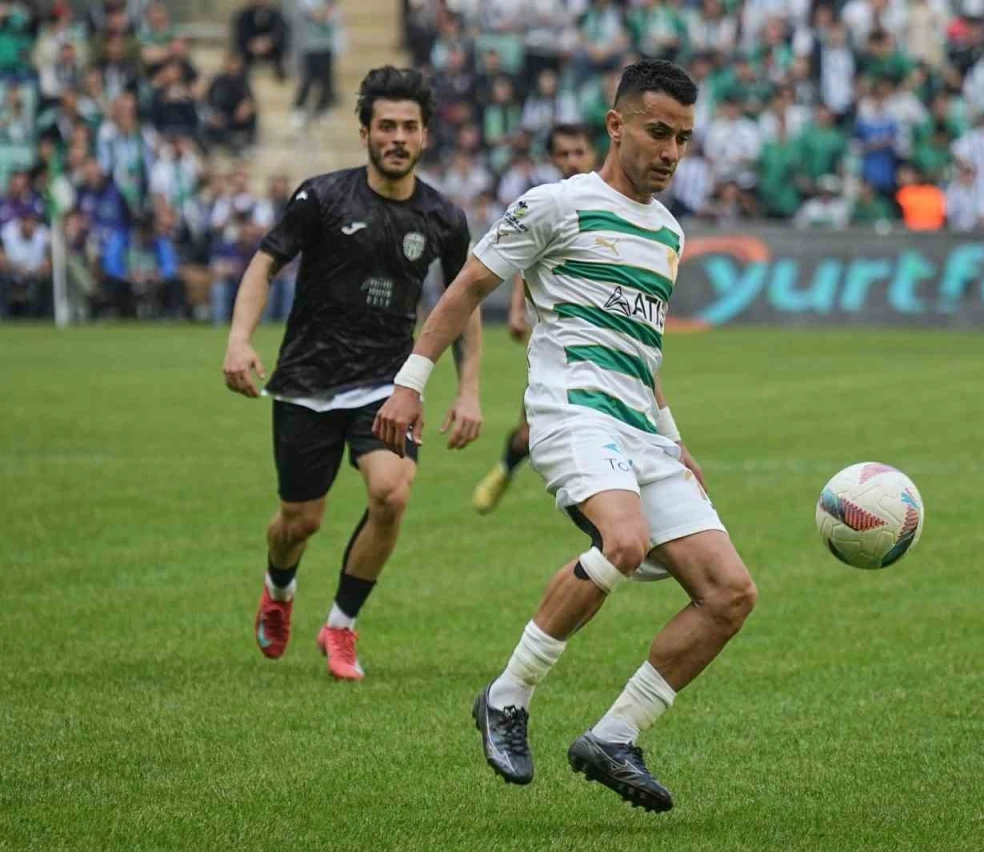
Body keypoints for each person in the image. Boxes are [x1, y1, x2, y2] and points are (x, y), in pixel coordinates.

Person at [374, 58, 757, 813]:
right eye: (658, 132)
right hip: (571, 412)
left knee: (730, 594)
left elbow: (642, 352)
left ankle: (616, 735)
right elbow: (468, 287)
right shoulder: (557, 205)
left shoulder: (668, 232)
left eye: (683, 138)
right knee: (624, 540)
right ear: (616, 125)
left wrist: (674, 437)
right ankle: (507, 696)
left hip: (641, 429)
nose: (671, 152)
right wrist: (411, 383)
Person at [221, 66, 483, 681]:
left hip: (390, 385)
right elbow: (263, 265)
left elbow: (463, 301)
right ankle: (278, 588)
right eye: (386, 126)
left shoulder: (443, 217)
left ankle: (340, 624)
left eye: (409, 127)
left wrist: (468, 389)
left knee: (392, 492)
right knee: (299, 522)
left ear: (425, 135)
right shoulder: (322, 198)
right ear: (364, 131)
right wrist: (238, 340)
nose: (398, 138)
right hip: (307, 381)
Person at [472, 123, 597, 514]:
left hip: (605, 333)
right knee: (532, 431)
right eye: (563, 154)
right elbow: (525, 262)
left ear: (594, 153)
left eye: (578, 152)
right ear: (552, 159)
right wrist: (516, 310)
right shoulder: (549, 204)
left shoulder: (610, 203)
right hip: (556, 332)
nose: (571, 161)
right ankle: (507, 466)